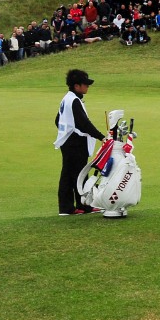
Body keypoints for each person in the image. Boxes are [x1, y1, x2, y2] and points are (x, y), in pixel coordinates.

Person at [54, 69, 106, 216]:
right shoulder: (74, 101)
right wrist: (102, 137)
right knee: (78, 175)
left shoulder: (67, 98)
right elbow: (85, 124)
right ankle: (79, 207)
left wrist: (67, 131)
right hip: (75, 143)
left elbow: (58, 121)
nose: (87, 87)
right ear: (77, 86)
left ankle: (73, 207)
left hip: (67, 141)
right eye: (85, 84)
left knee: (71, 174)